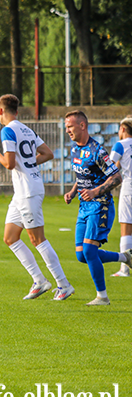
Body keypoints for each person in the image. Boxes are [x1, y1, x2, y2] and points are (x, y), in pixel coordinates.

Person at [0, 94, 73, 300]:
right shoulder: (27, 129)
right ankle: (40, 280)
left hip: (27, 190)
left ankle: (63, 284)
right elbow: (48, 153)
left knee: (37, 239)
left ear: (1, 111)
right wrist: (28, 164)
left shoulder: (7, 130)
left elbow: (9, 163)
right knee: (10, 237)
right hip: (24, 191)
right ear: (17, 111)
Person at [64, 110, 132, 305]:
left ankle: (102, 296)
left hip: (100, 206)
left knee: (89, 251)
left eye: (70, 126)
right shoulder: (74, 149)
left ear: (82, 126)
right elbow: (82, 175)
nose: (67, 130)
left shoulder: (97, 151)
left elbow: (117, 177)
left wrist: (95, 192)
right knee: (81, 256)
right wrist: (72, 191)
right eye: (66, 126)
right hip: (84, 207)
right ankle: (124, 257)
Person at [108, 116, 132, 277]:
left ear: (123, 128)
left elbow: (109, 166)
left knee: (126, 227)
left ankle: (125, 268)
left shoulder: (120, 145)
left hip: (129, 187)